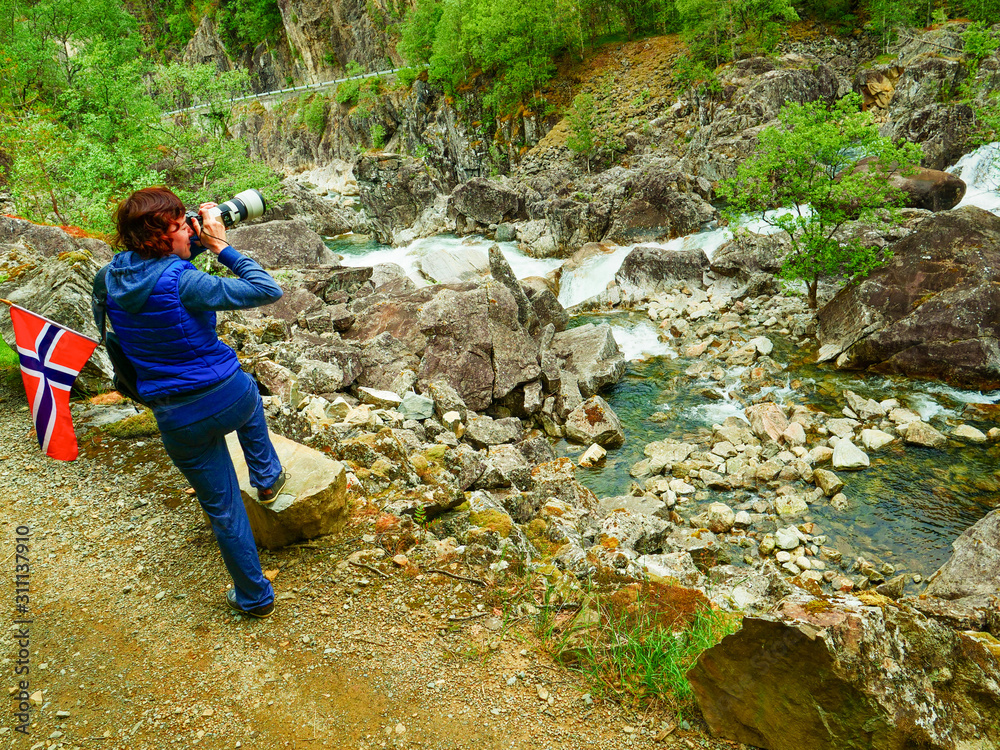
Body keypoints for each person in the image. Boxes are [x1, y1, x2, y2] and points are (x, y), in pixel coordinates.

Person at [103, 186, 286, 619]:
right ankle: (267, 474)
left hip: (175, 416)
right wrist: (221, 245)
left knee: (222, 510)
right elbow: (267, 289)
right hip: (228, 397)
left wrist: (191, 242)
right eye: (181, 225)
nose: (190, 227)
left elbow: (155, 285)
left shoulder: (111, 276)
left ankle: (255, 598)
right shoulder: (188, 281)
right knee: (247, 392)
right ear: (160, 238)